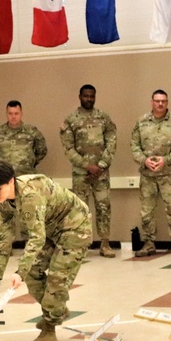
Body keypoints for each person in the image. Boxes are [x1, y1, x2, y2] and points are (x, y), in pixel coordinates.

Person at [0, 160, 92, 341]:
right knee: (32, 272)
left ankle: (49, 327)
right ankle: (57, 311)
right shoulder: (1, 202)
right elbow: (4, 239)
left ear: (10, 181)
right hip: (50, 229)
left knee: (57, 278)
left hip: (74, 226)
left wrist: (19, 272)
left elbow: (36, 238)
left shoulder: (30, 195)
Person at [60, 84, 117, 258]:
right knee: (80, 210)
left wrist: (101, 165)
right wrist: (87, 165)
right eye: (86, 96)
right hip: (81, 174)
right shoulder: (71, 120)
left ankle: (105, 244)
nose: (89, 99)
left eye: (92, 96)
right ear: (80, 97)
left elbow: (112, 142)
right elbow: (68, 149)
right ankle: (81, 246)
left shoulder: (103, 118)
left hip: (101, 173)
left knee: (103, 208)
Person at [131, 90, 171, 257]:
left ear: (167, 102)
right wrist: (144, 161)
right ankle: (149, 243)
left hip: (168, 174)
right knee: (146, 212)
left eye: (163, 101)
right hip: (147, 175)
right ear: (152, 102)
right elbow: (134, 146)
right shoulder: (141, 122)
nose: (160, 104)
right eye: (157, 101)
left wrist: (166, 160)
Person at [0, 100, 48, 176]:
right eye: (10, 113)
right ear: (6, 114)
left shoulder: (32, 131)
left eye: (16, 113)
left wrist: (30, 163)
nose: (13, 117)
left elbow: (42, 150)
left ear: (21, 114)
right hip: (4, 176)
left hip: (27, 175)